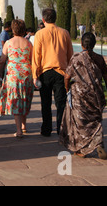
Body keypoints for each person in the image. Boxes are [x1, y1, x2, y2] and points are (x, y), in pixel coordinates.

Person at [59, 32, 107, 159]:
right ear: (94, 44)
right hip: (96, 95)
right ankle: (99, 143)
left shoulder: (75, 58)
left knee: (80, 122)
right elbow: (106, 78)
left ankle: (81, 149)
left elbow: (67, 77)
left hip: (80, 96)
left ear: (81, 44)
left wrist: (67, 89)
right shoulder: (99, 59)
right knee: (96, 121)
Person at [32, 9, 73, 137]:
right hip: (61, 72)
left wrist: (35, 75)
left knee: (45, 102)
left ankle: (46, 129)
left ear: (43, 20)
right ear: (56, 18)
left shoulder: (40, 34)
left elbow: (36, 56)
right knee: (61, 103)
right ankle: (61, 128)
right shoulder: (64, 33)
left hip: (45, 72)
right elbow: (70, 55)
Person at [0, 19, 34, 138]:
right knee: (24, 99)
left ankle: (18, 130)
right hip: (27, 74)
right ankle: (23, 126)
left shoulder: (8, 43)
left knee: (16, 100)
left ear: (13, 30)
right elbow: (33, 60)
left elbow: (2, 61)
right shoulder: (28, 43)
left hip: (13, 75)